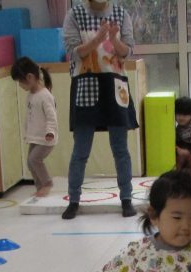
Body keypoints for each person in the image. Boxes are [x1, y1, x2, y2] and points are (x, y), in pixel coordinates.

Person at [61, 0, 138, 220]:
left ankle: (126, 198)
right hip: (85, 83)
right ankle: (73, 200)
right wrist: (97, 39)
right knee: (81, 150)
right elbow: (73, 53)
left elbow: (127, 52)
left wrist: (113, 39)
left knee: (120, 148)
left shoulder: (121, 14)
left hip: (115, 85)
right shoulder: (74, 14)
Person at [11, 56, 58, 197]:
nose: (20, 85)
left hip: (46, 138)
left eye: (20, 82)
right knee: (30, 162)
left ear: (30, 77)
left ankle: (47, 183)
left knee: (34, 159)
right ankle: (40, 187)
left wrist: (50, 132)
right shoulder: (31, 95)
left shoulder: (45, 96)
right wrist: (28, 132)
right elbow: (31, 116)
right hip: (35, 137)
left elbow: (51, 116)